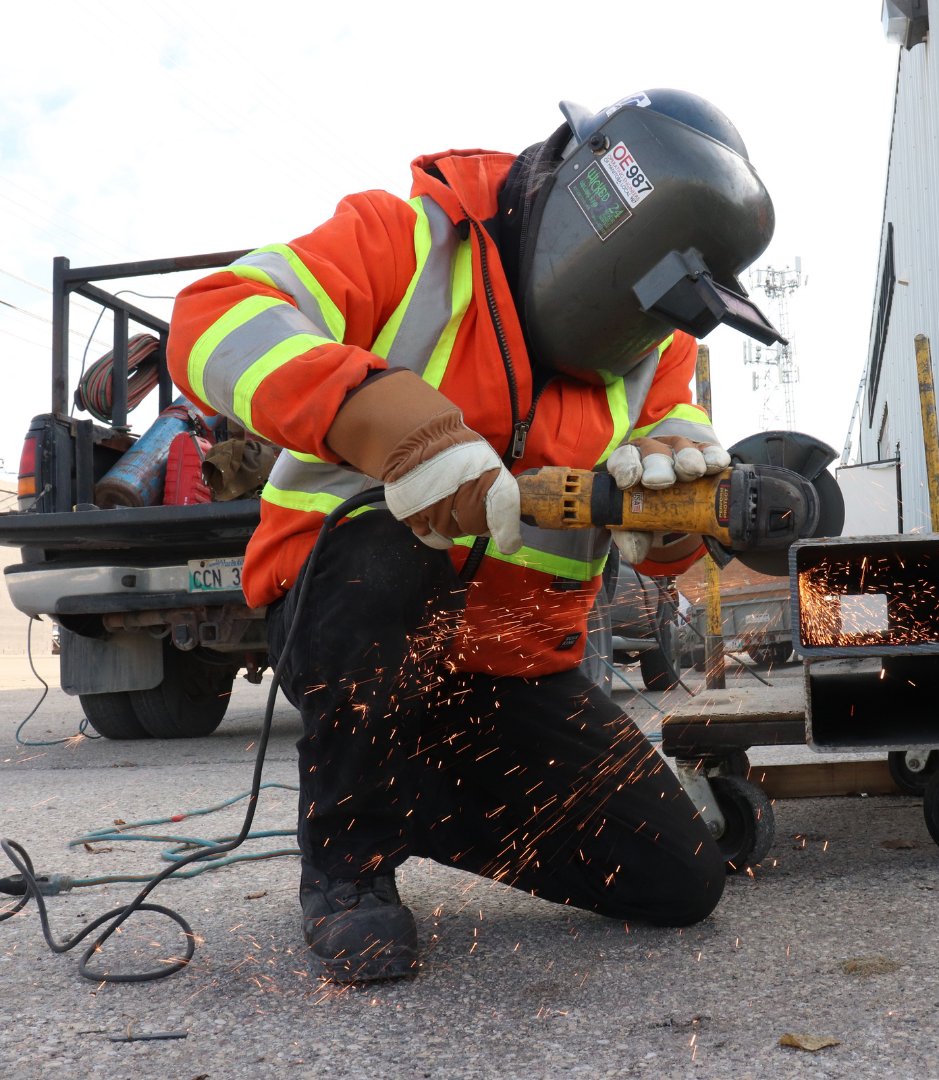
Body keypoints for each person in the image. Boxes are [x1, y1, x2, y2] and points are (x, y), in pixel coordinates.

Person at [167, 88, 778, 985]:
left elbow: (667, 481)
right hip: (352, 616)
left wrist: (674, 514)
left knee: (676, 880)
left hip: (511, 664)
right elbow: (217, 313)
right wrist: (387, 420)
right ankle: (349, 866)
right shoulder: (409, 243)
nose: (649, 332)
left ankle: (401, 792)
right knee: (387, 554)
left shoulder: (658, 341)